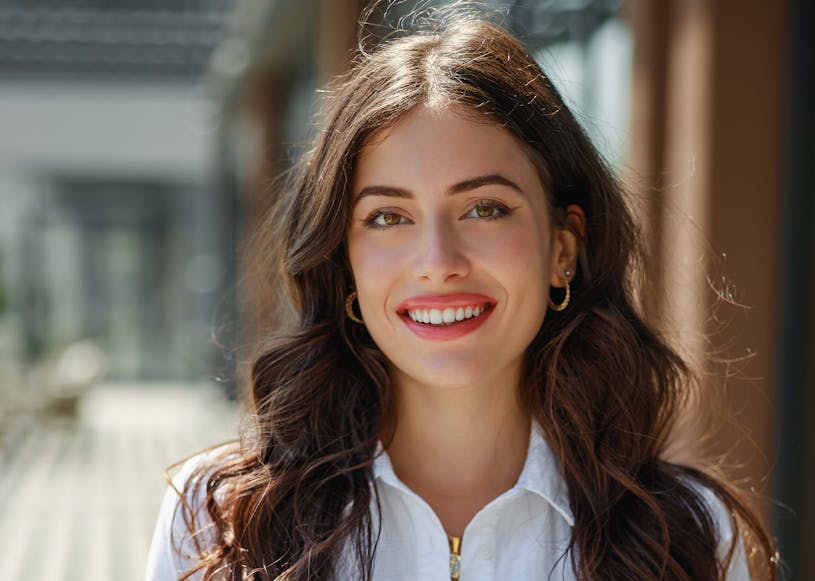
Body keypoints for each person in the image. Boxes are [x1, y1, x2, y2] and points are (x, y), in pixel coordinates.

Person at [145, 5, 776, 581]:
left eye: (485, 209)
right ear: (344, 264)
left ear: (564, 247)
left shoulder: (686, 535)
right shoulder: (220, 522)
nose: (438, 262)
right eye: (388, 218)